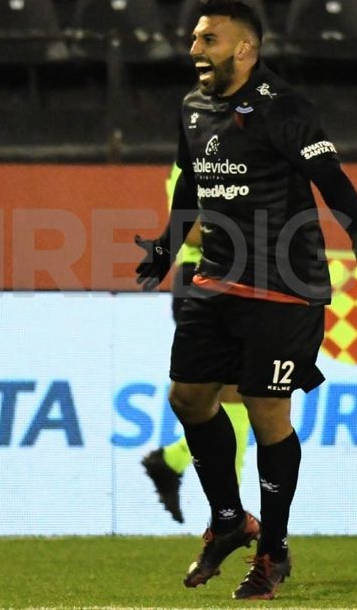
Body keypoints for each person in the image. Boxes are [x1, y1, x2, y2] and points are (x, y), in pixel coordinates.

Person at [135, 0, 357, 601]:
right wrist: (168, 246)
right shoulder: (193, 107)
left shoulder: (283, 108)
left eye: (208, 39)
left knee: (267, 411)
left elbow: (330, 178)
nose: (195, 48)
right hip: (216, 277)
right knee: (188, 398)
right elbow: (191, 184)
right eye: (195, 38)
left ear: (244, 49)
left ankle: (272, 549)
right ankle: (228, 519)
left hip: (284, 286)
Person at [141, 165, 251, 525]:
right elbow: (189, 232)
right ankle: (228, 513)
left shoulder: (230, 157)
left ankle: (176, 465)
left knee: (233, 395)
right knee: (227, 396)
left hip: (231, 281)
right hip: (202, 282)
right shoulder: (194, 162)